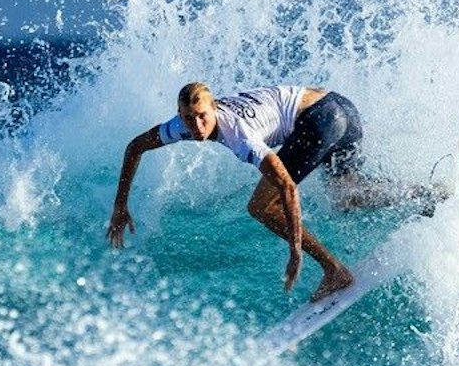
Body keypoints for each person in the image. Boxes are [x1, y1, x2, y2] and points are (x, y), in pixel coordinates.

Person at [107, 81, 379, 301]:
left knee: (261, 206)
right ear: (180, 116)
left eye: (203, 117)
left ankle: (333, 270)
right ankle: (418, 195)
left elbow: (287, 187)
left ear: (214, 109)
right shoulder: (180, 127)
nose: (198, 127)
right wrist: (120, 205)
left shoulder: (238, 134)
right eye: (189, 119)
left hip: (321, 119)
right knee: (347, 196)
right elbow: (135, 147)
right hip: (340, 106)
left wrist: (296, 251)